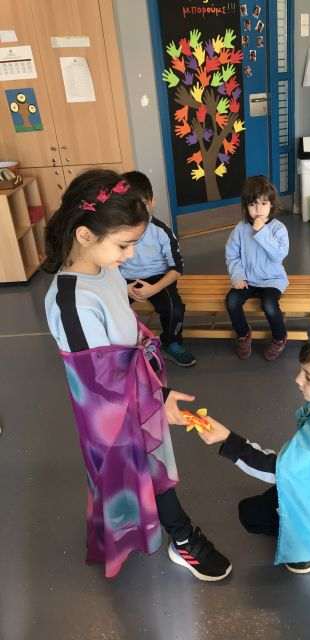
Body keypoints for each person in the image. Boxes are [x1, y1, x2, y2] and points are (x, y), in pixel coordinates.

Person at [43, 169, 231, 581]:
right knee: (139, 471)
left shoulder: (106, 270)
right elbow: (99, 381)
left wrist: (157, 389)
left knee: (152, 467)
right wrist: (156, 399)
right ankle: (183, 537)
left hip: (138, 394)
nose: (129, 256)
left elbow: (124, 334)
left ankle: (176, 533)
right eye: (123, 245)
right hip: (113, 416)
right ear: (85, 235)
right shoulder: (71, 300)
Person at [194, 320, 310, 574]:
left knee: (249, 515)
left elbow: (277, 469)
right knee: (263, 505)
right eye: (301, 371)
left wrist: (227, 439)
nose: (297, 379)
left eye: (308, 377)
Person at [119, 171, 196, 367]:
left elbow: (177, 268)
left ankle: (171, 342)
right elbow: (108, 265)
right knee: (112, 308)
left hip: (159, 278)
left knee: (174, 308)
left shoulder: (162, 231)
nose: (137, 212)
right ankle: (126, 347)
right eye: (130, 206)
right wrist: (123, 287)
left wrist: (154, 288)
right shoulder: (116, 231)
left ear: (152, 202)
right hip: (124, 279)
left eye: (142, 205)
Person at [225, 175, 289, 360]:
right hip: (248, 279)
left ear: (271, 205)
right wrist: (237, 276)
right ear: (246, 207)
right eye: (253, 204)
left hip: (272, 280)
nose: (258, 209)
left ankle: (279, 337)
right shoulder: (240, 228)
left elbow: (278, 255)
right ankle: (243, 334)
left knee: (269, 305)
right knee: (232, 301)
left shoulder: (278, 229)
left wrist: (262, 232)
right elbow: (232, 255)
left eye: (263, 203)